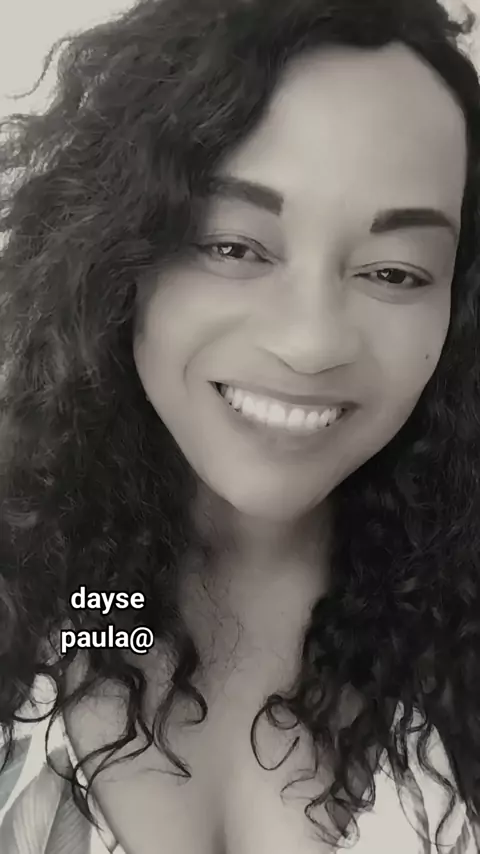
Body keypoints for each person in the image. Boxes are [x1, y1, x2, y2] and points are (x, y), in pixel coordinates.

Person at [0, 0, 480, 851]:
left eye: (396, 272)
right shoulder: (43, 603)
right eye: (233, 247)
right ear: (115, 254)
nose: (311, 342)